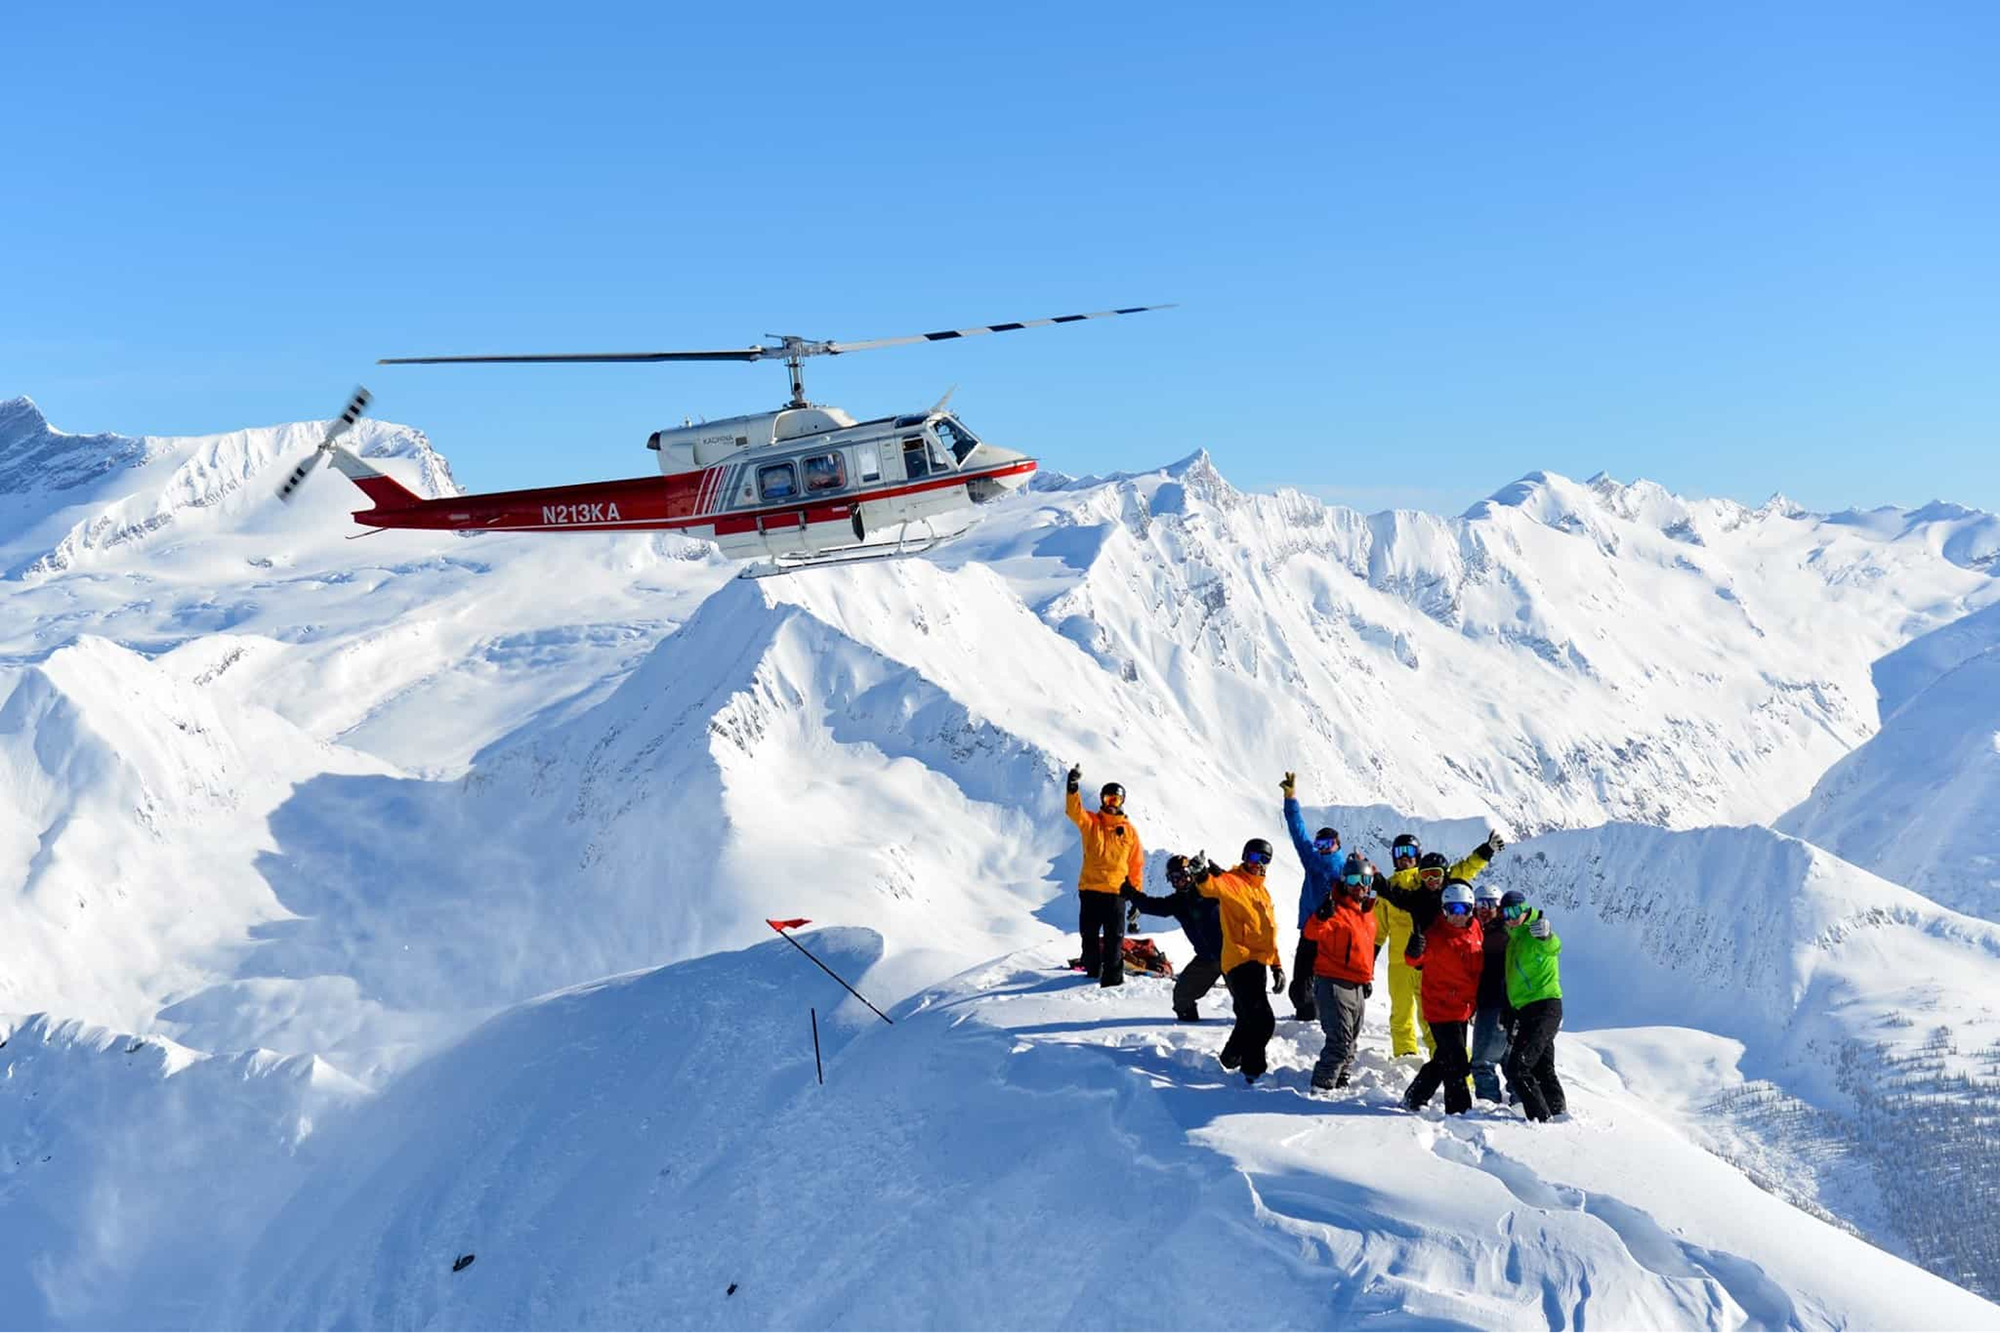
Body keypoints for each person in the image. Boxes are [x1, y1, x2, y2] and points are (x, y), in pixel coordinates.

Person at [1375, 831, 1505, 1057]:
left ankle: (1442, 1054)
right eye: (1399, 852)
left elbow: (1464, 869)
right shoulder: (1396, 890)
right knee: (1401, 1012)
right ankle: (1405, 1055)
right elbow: (1380, 926)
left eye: (1409, 851)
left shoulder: (1433, 882)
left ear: (1418, 854)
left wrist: (1486, 851)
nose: (1404, 857)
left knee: (1431, 1012)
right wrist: (1369, 962)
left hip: (1431, 961)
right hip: (1400, 961)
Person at [1191, 839, 1285, 1085]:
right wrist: (1201, 875)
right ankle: (1253, 1071)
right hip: (1240, 960)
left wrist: (1276, 966)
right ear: (1245, 857)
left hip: (1258, 962)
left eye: (1264, 859)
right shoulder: (1232, 880)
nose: (1258, 863)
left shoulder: (1262, 892)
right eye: (1254, 857)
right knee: (1263, 1021)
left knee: (1247, 1017)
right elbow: (1211, 887)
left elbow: (1269, 932)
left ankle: (1229, 1058)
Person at [1401, 881, 1484, 1115]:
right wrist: (1413, 950)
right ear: (1444, 910)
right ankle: (1459, 1110)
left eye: (1463, 909)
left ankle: (1415, 1096)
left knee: (1444, 1057)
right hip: (1440, 1008)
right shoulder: (1434, 935)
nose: (1458, 915)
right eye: (1452, 909)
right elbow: (1414, 960)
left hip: (1463, 1008)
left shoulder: (1476, 929)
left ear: (1471, 909)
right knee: (1456, 1060)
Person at [1301, 853, 1378, 1090]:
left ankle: (1341, 1080)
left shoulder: (1367, 913)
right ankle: (1322, 1086)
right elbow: (1311, 932)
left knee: (1351, 1038)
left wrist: (1366, 978)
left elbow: (1363, 949)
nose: (1360, 886)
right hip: (1333, 981)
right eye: (1354, 880)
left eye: (1365, 881)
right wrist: (1320, 917)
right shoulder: (1336, 909)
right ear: (1344, 881)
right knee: (1340, 1040)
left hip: (1358, 984)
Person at [1064, 764, 1144, 988]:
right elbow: (1074, 812)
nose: (1111, 803)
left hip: (1116, 893)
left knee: (1114, 940)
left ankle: (1112, 982)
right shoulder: (1091, 823)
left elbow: (1135, 865)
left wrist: (1136, 896)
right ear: (1102, 799)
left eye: (1115, 799)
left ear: (1122, 802)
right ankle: (1091, 974)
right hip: (1090, 891)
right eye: (1108, 798)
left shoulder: (1129, 832)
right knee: (1088, 937)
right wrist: (1072, 787)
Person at [1123, 855, 1226, 1021]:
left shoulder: (1209, 889)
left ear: (1190, 873)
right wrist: (1131, 893)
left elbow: (1236, 891)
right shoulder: (1178, 902)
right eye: (1173, 878)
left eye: (1181, 875)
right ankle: (1190, 1029)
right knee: (1181, 999)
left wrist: (1221, 875)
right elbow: (1151, 905)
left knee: (1247, 1004)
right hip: (1207, 959)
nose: (1178, 881)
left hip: (1231, 955)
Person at [1499, 889, 1566, 1122]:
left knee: (1518, 1067)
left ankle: (1540, 1119)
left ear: (1525, 909)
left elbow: (1553, 947)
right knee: (1542, 1067)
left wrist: (1547, 936)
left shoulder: (1534, 930)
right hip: (1526, 1010)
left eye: (1515, 911)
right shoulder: (1513, 939)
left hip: (1545, 1006)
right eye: (1506, 913)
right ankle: (1558, 1113)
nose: (1511, 917)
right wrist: (1509, 1011)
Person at [1280, 771, 1341, 1022]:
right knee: (1300, 986)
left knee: (1323, 983)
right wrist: (1290, 799)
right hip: (1308, 930)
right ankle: (1307, 1018)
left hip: (1331, 934)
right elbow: (1298, 831)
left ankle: (1318, 1020)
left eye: (1328, 844)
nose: (1323, 848)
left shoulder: (1343, 870)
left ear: (1337, 845)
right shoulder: (1312, 861)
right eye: (1320, 845)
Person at [1469, 882, 1512, 1102]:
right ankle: (1521, 1104)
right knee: (1510, 1062)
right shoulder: (1482, 931)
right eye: (1480, 904)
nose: (1484, 909)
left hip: (1495, 1003)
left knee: (1482, 1063)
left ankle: (1489, 1105)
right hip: (1499, 1004)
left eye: (1490, 904)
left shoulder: (1499, 934)